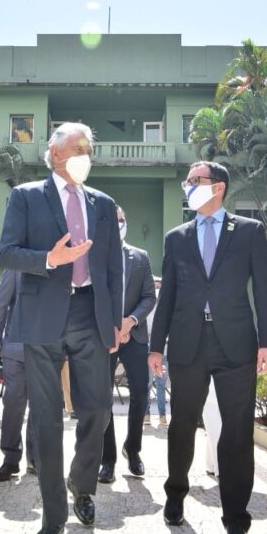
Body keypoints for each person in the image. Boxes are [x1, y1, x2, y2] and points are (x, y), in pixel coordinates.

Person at [0, 122, 123, 534]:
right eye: (77, 148)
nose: (86, 155)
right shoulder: (26, 197)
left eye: (89, 148)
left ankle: (82, 484)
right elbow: (7, 253)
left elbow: (113, 270)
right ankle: (54, 514)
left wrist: (114, 323)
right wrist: (48, 259)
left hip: (91, 314)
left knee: (99, 410)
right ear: (55, 155)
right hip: (43, 317)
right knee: (47, 420)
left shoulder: (103, 204)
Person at [149, 160, 267, 534]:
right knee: (182, 425)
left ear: (218, 187)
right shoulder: (177, 237)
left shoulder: (250, 232)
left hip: (236, 344)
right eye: (188, 182)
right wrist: (157, 346)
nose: (188, 187)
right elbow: (167, 294)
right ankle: (175, 494)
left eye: (195, 181)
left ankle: (236, 524)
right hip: (188, 343)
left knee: (237, 433)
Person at [99, 207, 155, 484]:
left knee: (141, 396)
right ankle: (107, 459)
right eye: (113, 220)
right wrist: (111, 325)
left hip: (135, 336)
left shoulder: (141, 257)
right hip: (105, 338)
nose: (118, 223)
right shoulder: (95, 255)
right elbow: (91, 295)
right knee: (103, 397)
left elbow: (149, 297)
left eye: (122, 219)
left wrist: (130, 321)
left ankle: (132, 450)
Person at [0, 269, 37, 481]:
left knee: (41, 406)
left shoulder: (59, 261)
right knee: (14, 401)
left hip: (47, 349)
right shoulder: (15, 268)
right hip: (15, 349)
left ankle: (36, 459)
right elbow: (0, 304)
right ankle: (11, 458)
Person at [146, 276, 168, 427]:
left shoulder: (165, 305)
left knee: (161, 383)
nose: (156, 287)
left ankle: (162, 416)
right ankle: (146, 414)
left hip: (164, 346)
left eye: (159, 285)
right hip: (147, 345)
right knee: (146, 382)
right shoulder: (147, 303)